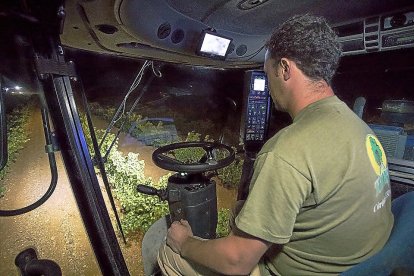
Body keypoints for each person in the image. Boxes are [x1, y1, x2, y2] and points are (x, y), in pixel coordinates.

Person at [157, 14, 394, 275]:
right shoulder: (357, 126)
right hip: (356, 263)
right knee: (239, 213)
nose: (268, 86)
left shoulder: (286, 151)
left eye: (267, 73)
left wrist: (185, 242)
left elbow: (237, 263)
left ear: (284, 69)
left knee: (169, 254)